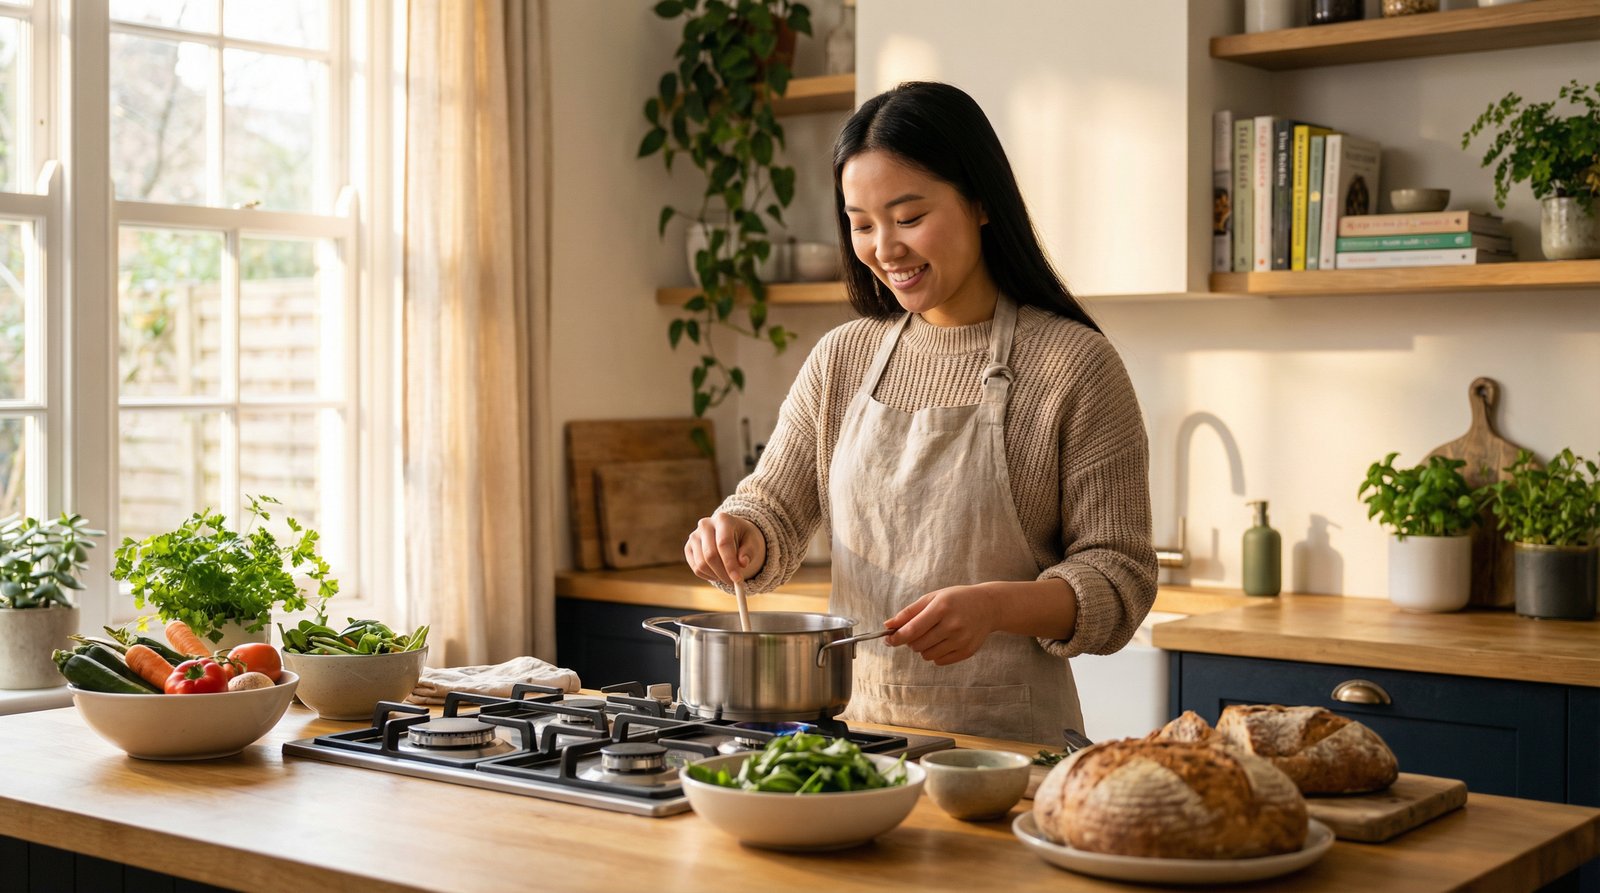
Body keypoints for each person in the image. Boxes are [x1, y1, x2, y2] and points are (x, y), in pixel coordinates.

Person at [683, 81, 1157, 744]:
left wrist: (995, 608)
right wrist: (739, 531)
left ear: (982, 201)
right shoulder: (842, 358)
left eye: (908, 218)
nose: (884, 247)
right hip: (856, 746)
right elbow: (774, 508)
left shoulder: (1075, 365)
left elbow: (1121, 576)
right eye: (862, 222)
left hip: (1008, 759)